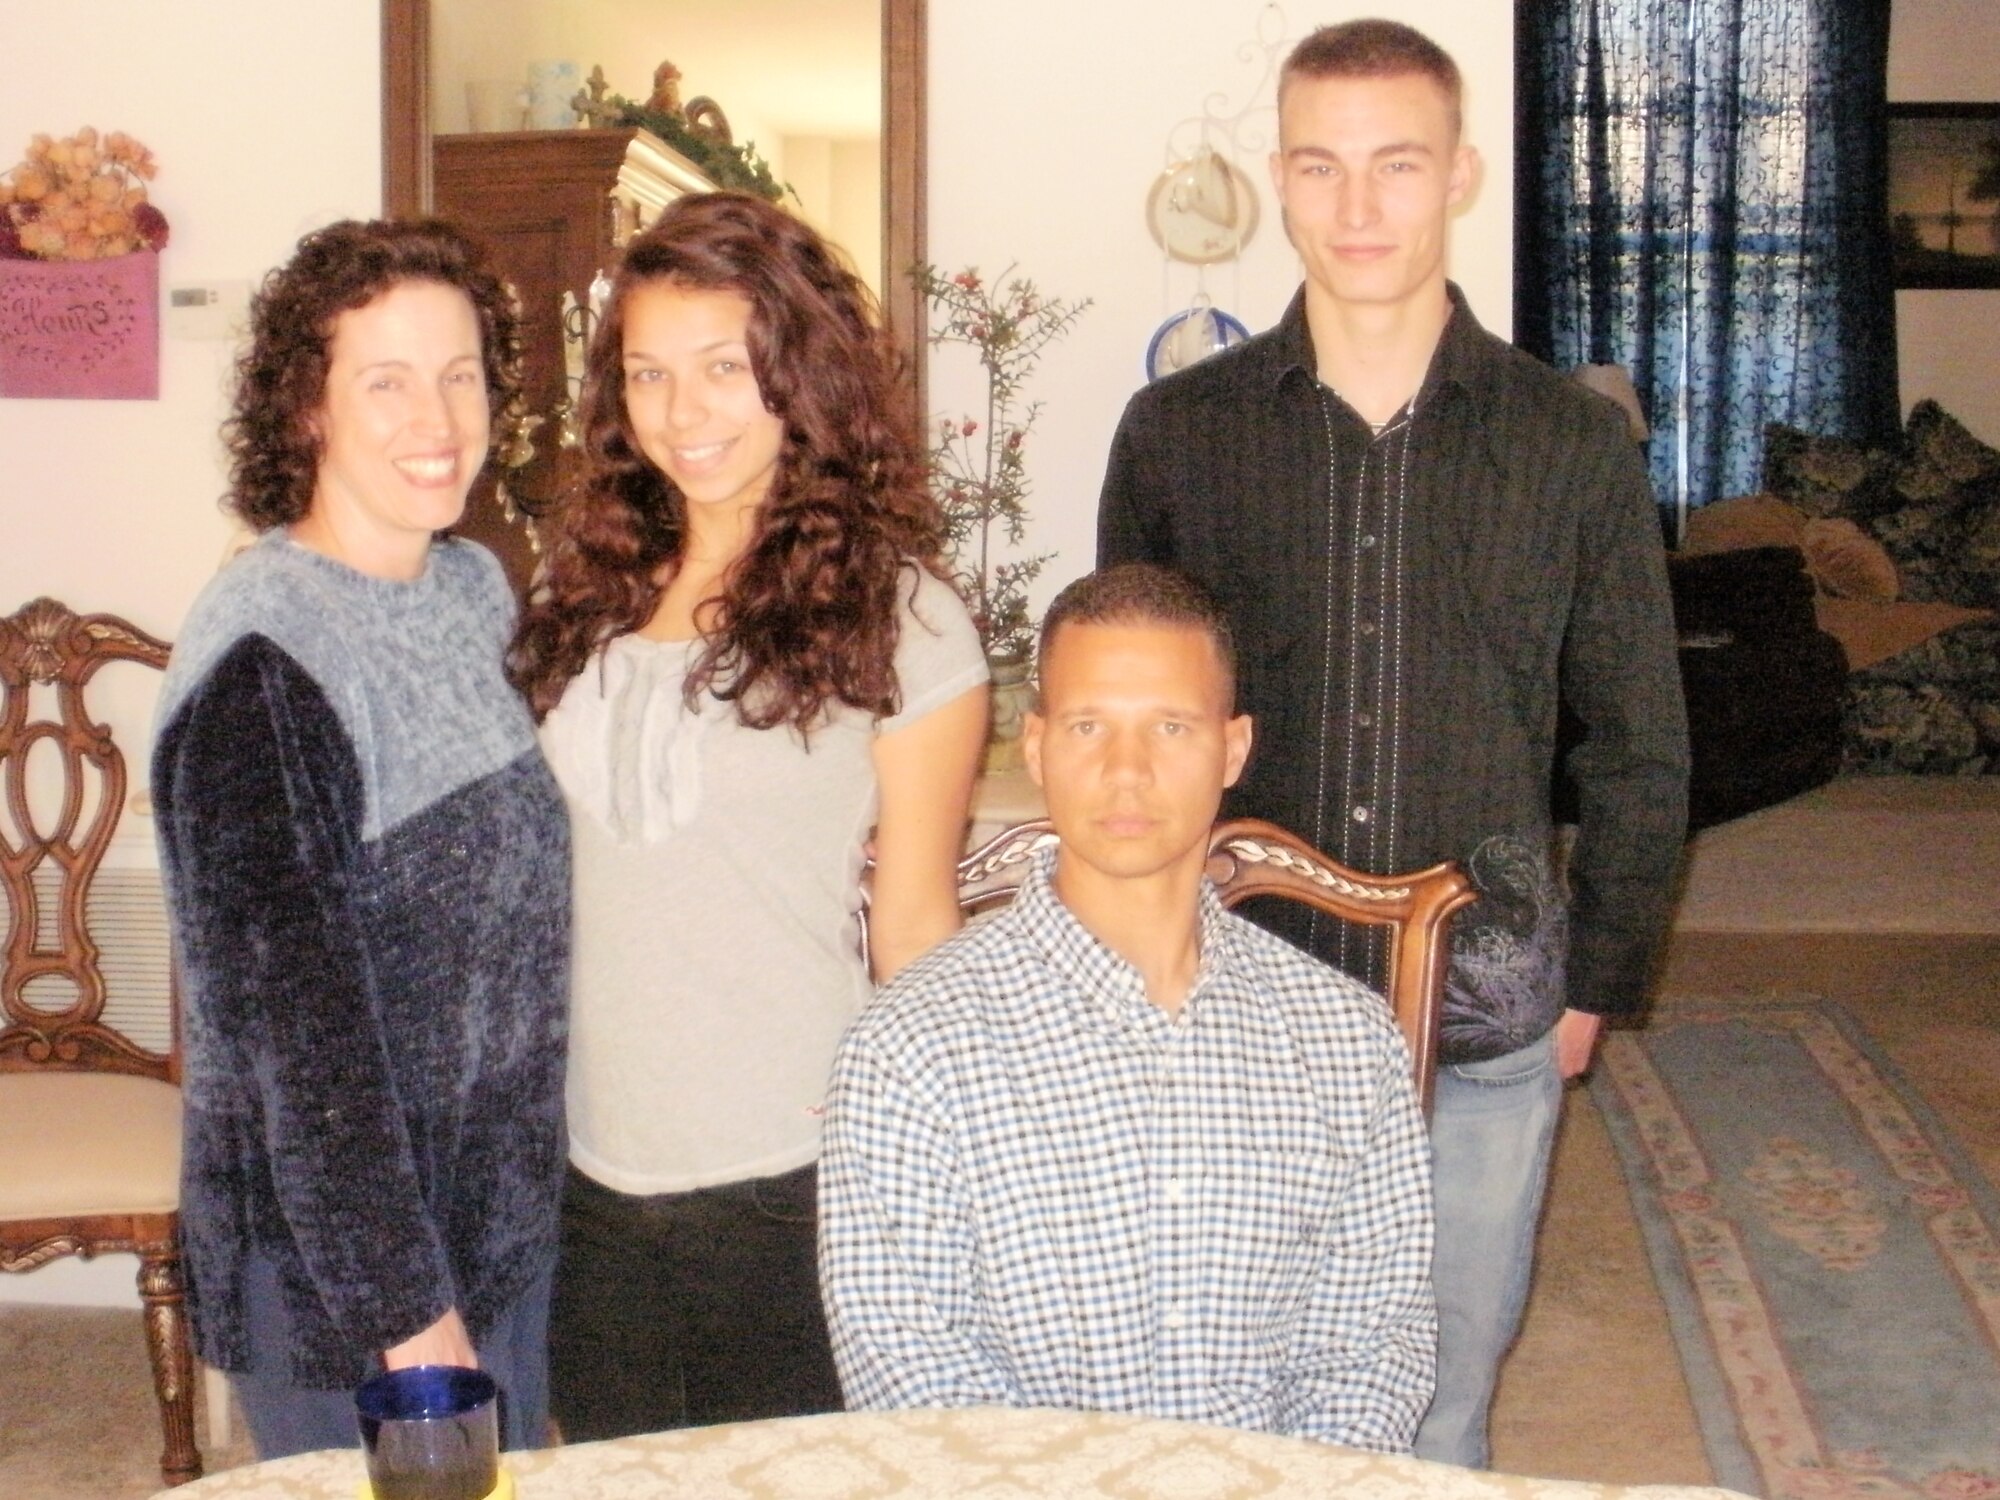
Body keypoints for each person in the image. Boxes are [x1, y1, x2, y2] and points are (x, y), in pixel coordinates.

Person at [1096, 19, 1690, 1468]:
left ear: (1461, 176)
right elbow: (1131, 738)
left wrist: (1594, 985)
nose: (1358, 208)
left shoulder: (1569, 446)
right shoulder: (1177, 436)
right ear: (1280, 183)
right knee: (1229, 1380)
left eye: (1397, 165)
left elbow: (1639, 741)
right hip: (1237, 1002)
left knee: (1440, 1393)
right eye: (1322, 166)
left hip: (1487, 1006)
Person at [509, 191, 989, 1440]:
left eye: (724, 367)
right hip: (587, 1165)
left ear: (799, 372)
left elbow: (918, 923)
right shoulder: (582, 588)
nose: (683, 413)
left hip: (792, 1168)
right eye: (649, 373)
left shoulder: (903, 614)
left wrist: (914, 1152)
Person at [818, 563, 1437, 1453]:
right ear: (1035, 749)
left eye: (1171, 727)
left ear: (1233, 749)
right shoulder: (912, 1048)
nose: (1126, 771)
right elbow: (914, 1374)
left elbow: (1371, 1348)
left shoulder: (1342, 1038)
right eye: (1088, 726)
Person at [151, 218, 569, 1457]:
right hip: (348, 1288)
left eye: (459, 374)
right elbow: (300, 1049)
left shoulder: (472, 589)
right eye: (383, 381)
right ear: (305, 410)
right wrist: (410, 1317)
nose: (435, 418)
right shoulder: (263, 667)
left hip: (494, 1222)